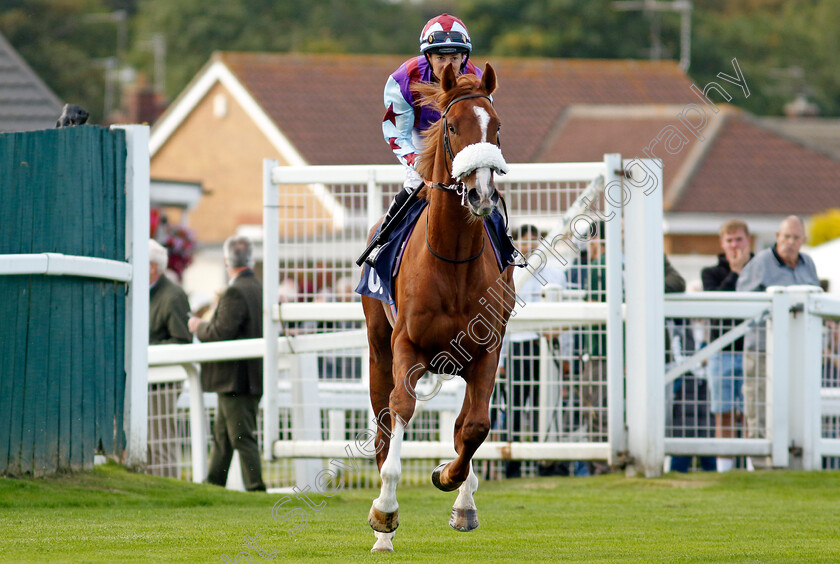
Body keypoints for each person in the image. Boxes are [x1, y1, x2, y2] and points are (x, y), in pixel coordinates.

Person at [366, 13, 481, 265]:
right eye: (440, 57)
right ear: (428, 57)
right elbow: (397, 133)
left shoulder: (478, 79)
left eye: (454, 57)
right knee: (415, 183)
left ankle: (506, 245)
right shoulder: (403, 79)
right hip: (420, 134)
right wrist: (419, 164)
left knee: (481, 186)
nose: (448, 65)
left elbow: (480, 128)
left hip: (461, 136)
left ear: (465, 57)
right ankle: (381, 243)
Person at [736, 215, 820, 468]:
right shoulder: (760, 263)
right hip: (763, 349)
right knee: (758, 404)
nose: (790, 242)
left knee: (796, 405)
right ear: (777, 237)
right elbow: (743, 302)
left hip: (799, 353)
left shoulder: (808, 265)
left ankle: (795, 463)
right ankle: (760, 464)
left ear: (803, 240)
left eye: (796, 238)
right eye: (786, 237)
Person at [188, 235, 266, 491]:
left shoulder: (234, 291)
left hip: (235, 380)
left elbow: (219, 332)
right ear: (250, 258)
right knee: (222, 438)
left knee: (242, 437)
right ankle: (214, 485)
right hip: (247, 376)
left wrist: (199, 326)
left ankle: (256, 488)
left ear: (226, 260)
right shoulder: (257, 287)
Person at [495, 224, 568, 478]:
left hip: (544, 348)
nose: (528, 247)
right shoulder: (510, 273)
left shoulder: (556, 274)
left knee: (544, 405)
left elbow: (563, 319)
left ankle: (544, 462)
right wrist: (500, 359)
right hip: (519, 346)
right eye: (524, 241)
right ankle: (512, 466)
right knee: (514, 406)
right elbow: (501, 319)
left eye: (533, 241)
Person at [701, 219, 753, 472]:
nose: (735, 245)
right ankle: (725, 469)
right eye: (730, 241)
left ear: (748, 240)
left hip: (753, 351)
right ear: (722, 243)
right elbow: (716, 306)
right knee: (723, 412)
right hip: (721, 351)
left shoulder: (759, 268)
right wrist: (735, 272)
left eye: (739, 240)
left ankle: (753, 463)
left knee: (752, 412)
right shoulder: (710, 273)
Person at [148, 239, 191, 478]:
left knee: (160, 439)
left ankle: (167, 484)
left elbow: (182, 340)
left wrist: (147, 349)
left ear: (153, 267)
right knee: (145, 439)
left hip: (163, 380)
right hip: (146, 378)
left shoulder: (173, 296)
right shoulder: (142, 292)